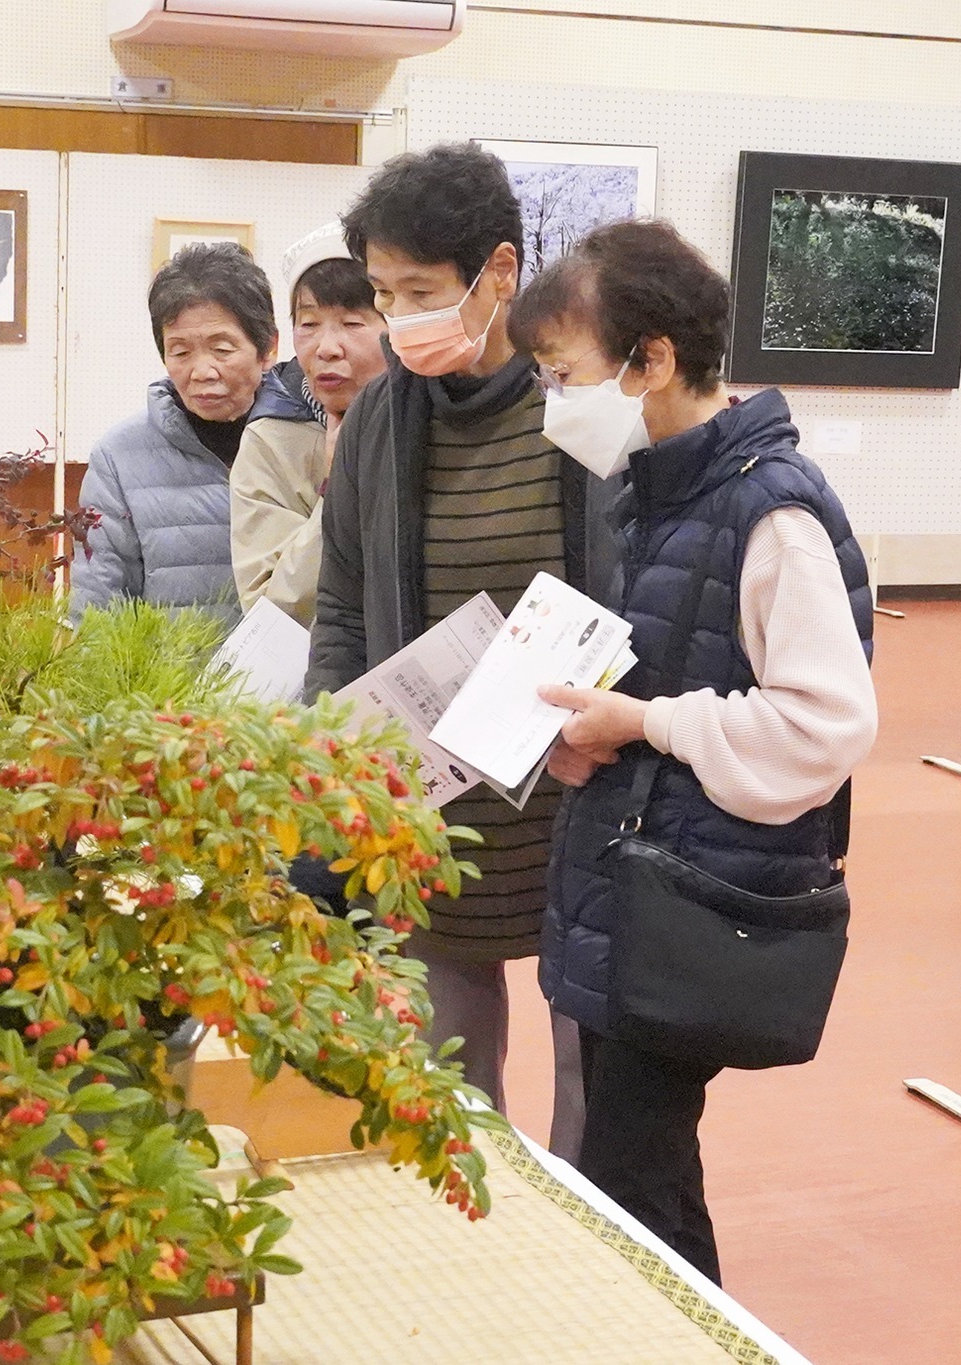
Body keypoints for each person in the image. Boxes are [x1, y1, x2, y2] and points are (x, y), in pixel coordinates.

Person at [511, 220, 877, 1284]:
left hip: (687, 897)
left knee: (633, 1182)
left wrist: (641, 726)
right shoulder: (660, 492)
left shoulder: (771, 512)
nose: (553, 401)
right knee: (642, 1177)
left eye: (564, 374)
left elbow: (822, 727)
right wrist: (597, 738)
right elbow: (676, 671)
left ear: (652, 359)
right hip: (627, 879)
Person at [304, 143, 592, 1161]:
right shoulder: (382, 416)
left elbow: (633, 591)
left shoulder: (576, 403)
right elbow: (341, 598)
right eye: (382, 292)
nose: (395, 318)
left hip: (573, 787)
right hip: (428, 803)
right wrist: (331, 732)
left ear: (498, 275)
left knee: (588, 1086)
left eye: (418, 291)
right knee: (446, 1079)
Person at [73, 242, 276, 625]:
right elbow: (98, 609)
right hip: (171, 685)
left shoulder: (304, 440)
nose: (201, 371)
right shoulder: (119, 458)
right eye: (180, 352)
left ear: (268, 349)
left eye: (221, 349)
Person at [230, 223, 387, 624]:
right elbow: (271, 610)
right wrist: (336, 489)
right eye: (309, 324)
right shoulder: (271, 439)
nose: (327, 348)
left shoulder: (434, 417)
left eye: (353, 324)